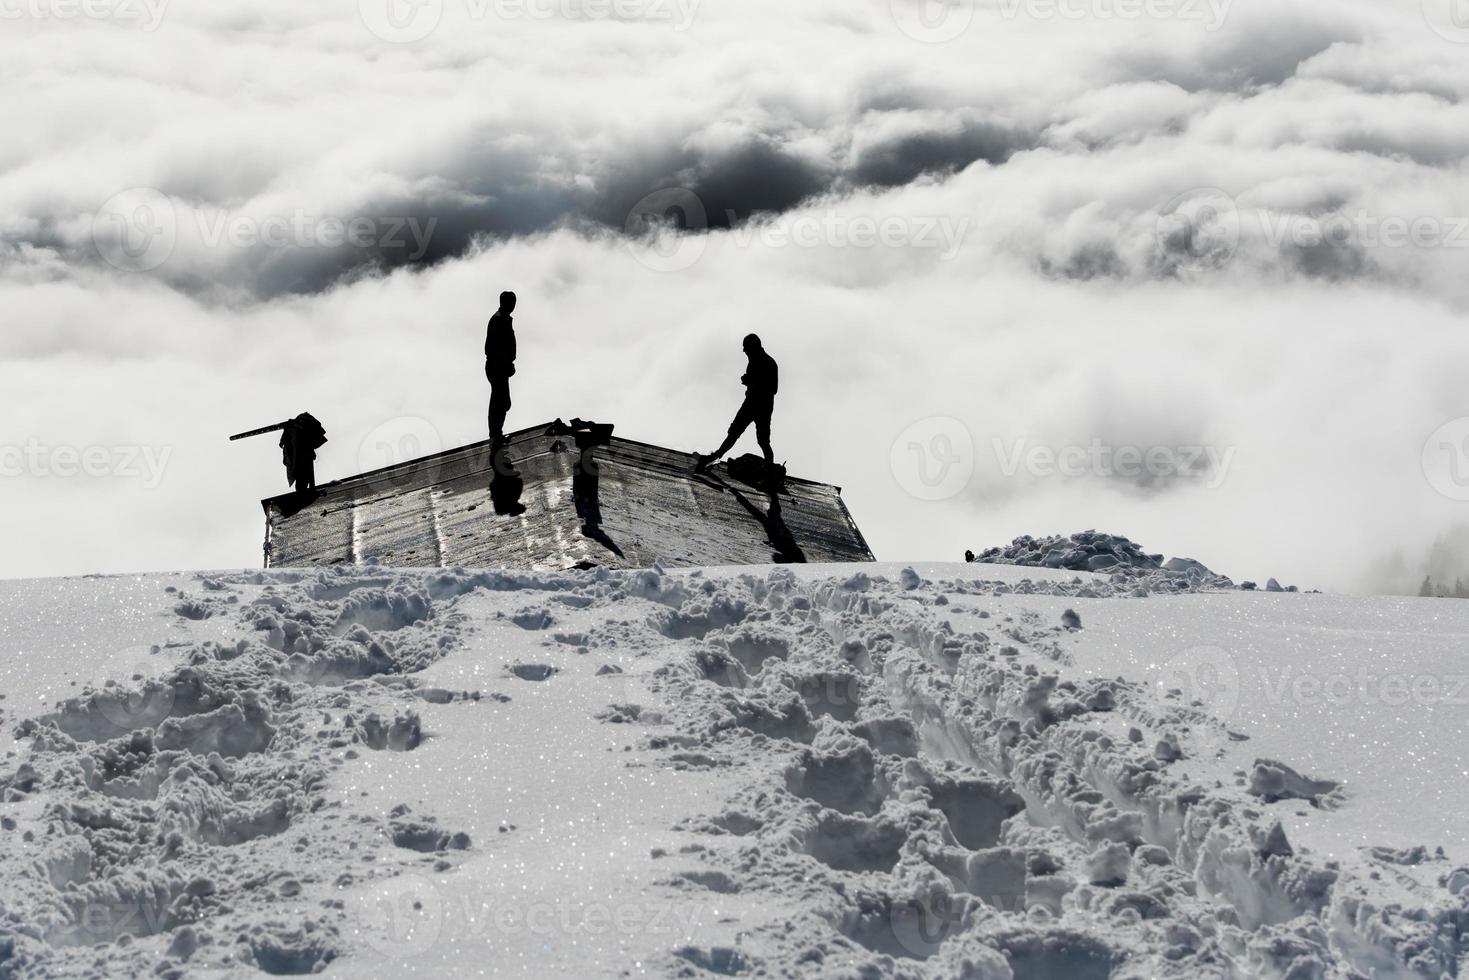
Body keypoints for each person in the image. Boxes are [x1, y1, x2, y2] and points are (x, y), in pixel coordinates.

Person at [695, 334, 777, 473]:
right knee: (734, 433)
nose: (744, 351)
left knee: (762, 442)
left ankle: (770, 475)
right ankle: (714, 458)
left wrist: (751, 382)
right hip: (750, 404)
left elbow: (773, 389)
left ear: (753, 347)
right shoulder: (754, 360)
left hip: (761, 407)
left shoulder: (768, 363)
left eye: (746, 348)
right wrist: (749, 382)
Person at [485, 291, 517, 448]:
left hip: (500, 366)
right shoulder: (499, 320)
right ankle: (495, 435)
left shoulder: (503, 319)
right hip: (497, 367)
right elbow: (495, 349)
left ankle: (497, 433)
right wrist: (505, 365)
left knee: (502, 401)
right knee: (500, 401)